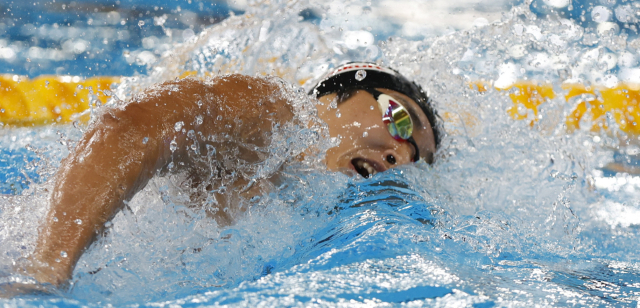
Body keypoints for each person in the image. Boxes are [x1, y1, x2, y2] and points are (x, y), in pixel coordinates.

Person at [15, 61, 440, 290]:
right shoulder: (275, 117)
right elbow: (132, 128)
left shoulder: (323, 219)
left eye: (414, 157)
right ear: (336, 93)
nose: (399, 153)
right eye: (400, 120)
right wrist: (47, 272)